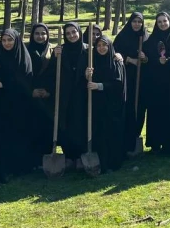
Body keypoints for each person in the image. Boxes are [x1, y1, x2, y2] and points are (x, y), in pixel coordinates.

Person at [0, 29, 33, 182]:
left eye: (10, 40)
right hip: (0, 104)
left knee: (17, 134)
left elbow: (25, 81)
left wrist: (3, 84)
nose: (7, 43)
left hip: (19, 104)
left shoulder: (23, 57)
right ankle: (2, 167)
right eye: (4, 40)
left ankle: (18, 167)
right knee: (1, 135)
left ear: (16, 41)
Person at [83, 35, 126, 172]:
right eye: (99, 45)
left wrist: (99, 86)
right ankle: (100, 162)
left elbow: (118, 84)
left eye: (104, 45)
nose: (101, 48)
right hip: (96, 105)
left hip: (112, 106)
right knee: (99, 133)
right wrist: (86, 75)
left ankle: (113, 163)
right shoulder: (92, 62)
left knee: (111, 134)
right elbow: (86, 84)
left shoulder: (115, 62)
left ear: (109, 46)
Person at [114, 12, 149, 155]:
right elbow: (114, 52)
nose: (137, 24)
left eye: (139, 22)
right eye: (134, 21)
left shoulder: (146, 37)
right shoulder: (122, 36)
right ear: (130, 22)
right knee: (127, 106)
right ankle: (125, 139)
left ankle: (135, 136)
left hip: (142, 79)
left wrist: (144, 58)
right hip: (126, 78)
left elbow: (151, 55)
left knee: (139, 107)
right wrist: (129, 59)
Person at [54, 22, 88, 166]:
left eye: (74, 32)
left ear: (79, 32)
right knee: (66, 123)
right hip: (65, 94)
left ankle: (81, 155)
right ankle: (69, 155)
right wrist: (55, 58)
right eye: (68, 33)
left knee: (81, 123)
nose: (71, 35)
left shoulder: (87, 50)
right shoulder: (60, 51)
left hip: (83, 93)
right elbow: (52, 72)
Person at [142, 12, 170, 153]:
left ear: (169, 21)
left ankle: (169, 142)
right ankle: (156, 142)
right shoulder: (150, 41)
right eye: (160, 22)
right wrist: (157, 61)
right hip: (155, 82)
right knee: (156, 111)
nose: (162, 24)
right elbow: (147, 60)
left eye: (165, 21)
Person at [26, 24, 57, 165]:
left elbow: (57, 74)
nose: (40, 36)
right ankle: (31, 159)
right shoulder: (25, 49)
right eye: (37, 33)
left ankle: (46, 156)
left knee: (46, 127)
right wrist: (30, 90)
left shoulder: (54, 50)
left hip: (47, 96)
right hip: (30, 95)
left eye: (43, 33)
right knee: (30, 126)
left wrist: (49, 91)